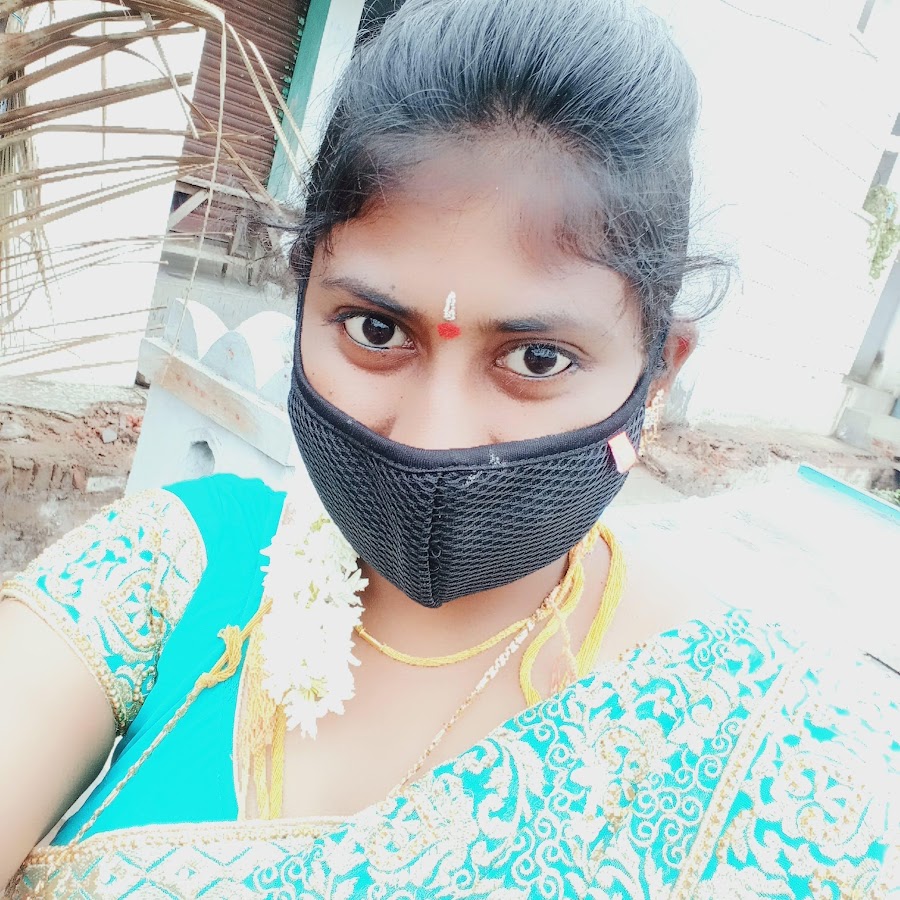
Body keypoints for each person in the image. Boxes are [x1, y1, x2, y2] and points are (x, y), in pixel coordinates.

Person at [1, 0, 897, 896]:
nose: (433, 441)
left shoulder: (779, 754)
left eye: (537, 359)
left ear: (658, 372)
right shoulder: (172, 567)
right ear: (303, 299)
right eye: (375, 330)